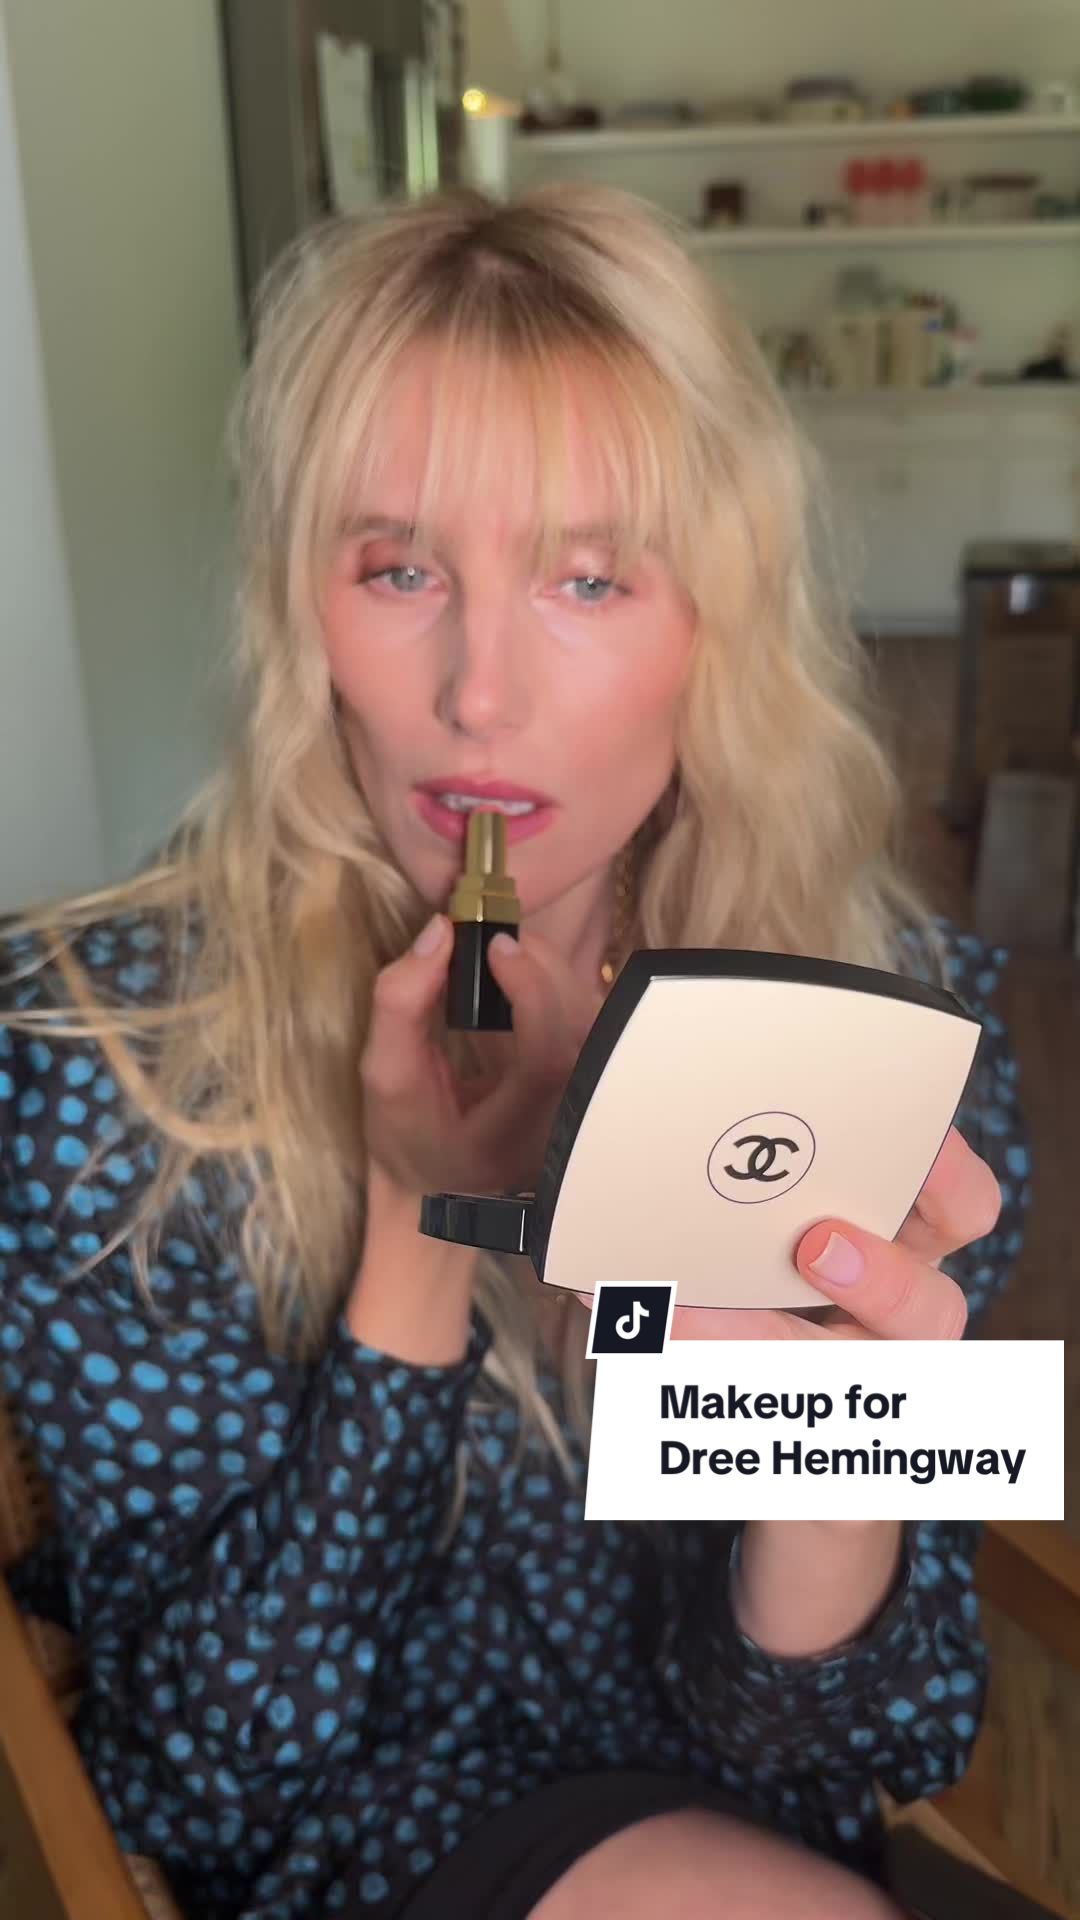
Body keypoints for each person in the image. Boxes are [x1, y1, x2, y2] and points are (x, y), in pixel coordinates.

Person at [0, 183, 1029, 1920]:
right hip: (349, 1859)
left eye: (588, 577)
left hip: (757, 1829)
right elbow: (201, 1782)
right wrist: (422, 1222)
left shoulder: (878, 1024)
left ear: (719, 620)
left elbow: (889, 1736)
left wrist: (833, 1436)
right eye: (398, 570)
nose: (480, 694)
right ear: (300, 610)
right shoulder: (109, 1056)